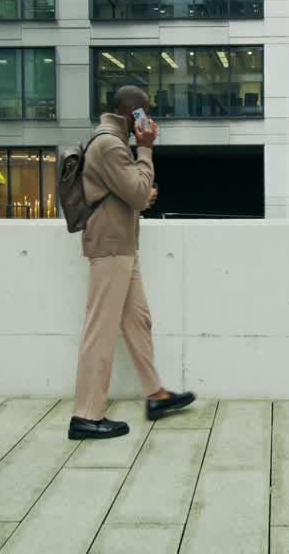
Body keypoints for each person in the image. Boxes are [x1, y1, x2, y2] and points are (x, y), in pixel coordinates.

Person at [69, 85, 195, 440]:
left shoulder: (109, 141)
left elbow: (131, 193)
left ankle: (155, 394)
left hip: (121, 245)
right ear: (133, 115)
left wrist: (140, 188)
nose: (150, 121)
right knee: (100, 333)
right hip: (111, 247)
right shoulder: (110, 143)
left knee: (138, 321)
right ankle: (86, 415)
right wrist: (147, 149)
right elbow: (138, 193)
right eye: (146, 114)